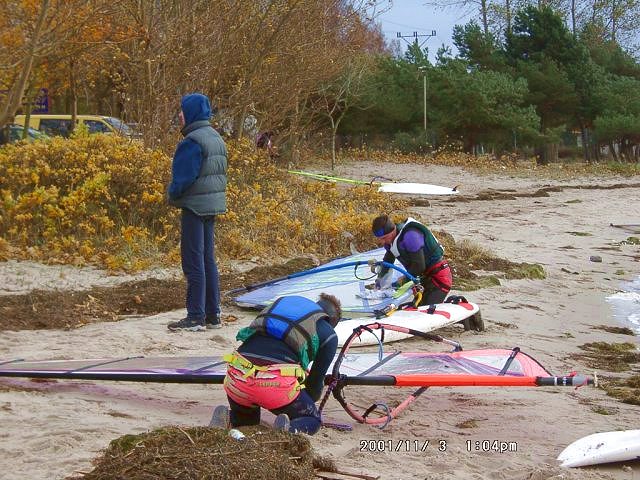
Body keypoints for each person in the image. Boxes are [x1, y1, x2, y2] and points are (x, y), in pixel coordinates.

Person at [210, 293, 341, 434]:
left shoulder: (282, 307)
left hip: (237, 374)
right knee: (311, 418)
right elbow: (313, 389)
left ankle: (229, 417)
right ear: (331, 320)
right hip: (272, 383)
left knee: (248, 420)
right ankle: (287, 430)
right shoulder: (330, 335)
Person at [166, 93, 227, 332]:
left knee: (193, 261)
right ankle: (213, 314)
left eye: (181, 110)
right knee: (207, 259)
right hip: (212, 206)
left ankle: (195, 316)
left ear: (190, 112)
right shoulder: (216, 138)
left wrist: (172, 194)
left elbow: (184, 178)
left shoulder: (192, 141)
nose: (179, 115)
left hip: (194, 206)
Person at [371, 214, 453, 305]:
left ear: (392, 230)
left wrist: (401, 282)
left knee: (425, 311)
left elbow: (419, 267)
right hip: (424, 278)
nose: (382, 242)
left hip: (439, 278)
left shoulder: (410, 236)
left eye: (384, 238)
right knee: (416, 306)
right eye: (380, 239)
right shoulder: (390, 241)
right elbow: (388, 261)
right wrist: (379, 281)